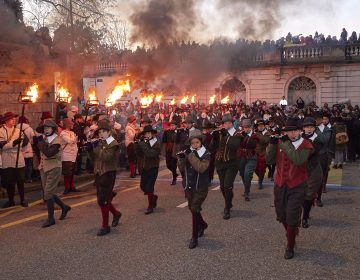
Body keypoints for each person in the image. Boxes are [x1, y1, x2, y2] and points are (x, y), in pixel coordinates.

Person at [266, 117, 314, 259]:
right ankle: (291, 233)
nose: (291, 134)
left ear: (300, 131)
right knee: (282, 216)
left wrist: (284, 144)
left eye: (294, 131)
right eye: (288, 131)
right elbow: (269, 160)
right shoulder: (282, 142)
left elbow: (298, 160)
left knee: (292, 216)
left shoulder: (307, 144)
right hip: (280, 184)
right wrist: (273, 144)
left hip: (298, 185)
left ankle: (290, 245)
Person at [88, 120, 122, 236]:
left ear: (109, 132)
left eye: (103, 132)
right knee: (102, 199)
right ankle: (116, 213)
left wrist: (96, 148)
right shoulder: (101, 142)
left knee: (102, 201)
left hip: (108, 173)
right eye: (99, 132)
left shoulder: (113, 143)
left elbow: (107, 157)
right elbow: (95, 159)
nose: (101, 134)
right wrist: (90, 150)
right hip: (98, 173)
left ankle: (105, 226)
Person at [178, 133, 210, 249]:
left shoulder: (206, 154)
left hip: (200, 187)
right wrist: (181, 159)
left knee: (195, 207)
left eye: (197, 142)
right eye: (192, 143)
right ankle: (202, 224)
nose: (195, 145)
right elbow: (181, 169)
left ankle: (194, 237)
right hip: (189, 186)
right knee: (192, 209)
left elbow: (201, 168)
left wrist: (190, 155)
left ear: (201, 142)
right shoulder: (188, 153)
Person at [37, 119, 71, 227]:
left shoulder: (57, 140)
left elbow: (49, 153)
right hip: (43, 167)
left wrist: (40, 145)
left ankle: (51, 218)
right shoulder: (45, 139)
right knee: (49, 192)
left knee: (47, 193)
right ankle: (64, 207)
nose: (46, 130)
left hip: (54, 167)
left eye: (48, 128)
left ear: (53, 129)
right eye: (45, 128)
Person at [213, 114, 242, 219]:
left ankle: (227, 208)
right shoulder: (220, 132)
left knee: (227, 185)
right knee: (222, 187)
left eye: (229, 122)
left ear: (232, 123)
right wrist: (214, 138)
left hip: (232, 163)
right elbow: (212, 147)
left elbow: (234, 145)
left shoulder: (237, 133)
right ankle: (229, 201)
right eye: (225, 123)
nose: (227, 125)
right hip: (220, 162)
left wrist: (226, 136)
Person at [0, 112, 29, 208]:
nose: (14, 120)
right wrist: (14, 143)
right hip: (7, 159)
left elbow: (24, 143)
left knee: (20, 180)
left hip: (18, 157)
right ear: (6, 120)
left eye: (14, 118)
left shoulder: (19, 131)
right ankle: (11, 200)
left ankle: (22, 199)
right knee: (9, 181)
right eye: (12, 119)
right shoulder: (1, 131)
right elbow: (3, 146)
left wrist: (14, 145)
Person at [301, 117, 323, 228]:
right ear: (303, 128)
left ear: (314, 128)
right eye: (306, 127)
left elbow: (312, 151)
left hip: (314, 169)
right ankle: (305, 212)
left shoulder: (317, 138)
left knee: (309, 194)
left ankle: (305, 218)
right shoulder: (299, 137)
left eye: (311, 127)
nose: (309, 129)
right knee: (300, 193)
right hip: (301, 169)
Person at [136, 125, 161, 215]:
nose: (147, 135)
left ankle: (150, 206)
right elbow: (139, 154)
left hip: (153, 167)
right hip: (144, 167)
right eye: (146, 133)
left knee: (150, 187)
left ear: (153, 133)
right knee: (143, 187)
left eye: (149, 133)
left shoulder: (157, 143)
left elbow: (150, 154)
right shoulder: (144, 142)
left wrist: (142, 145)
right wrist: (137, 145)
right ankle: (153, 197)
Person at [238, 119, 259, 200]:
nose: (246, 129)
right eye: (244, 127)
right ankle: (246, 187)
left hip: (252, 157)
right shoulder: (240, 135)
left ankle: (247, 191)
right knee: (242, 174)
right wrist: (239, 137)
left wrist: (244, 137)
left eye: (247, 127)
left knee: (247, 174)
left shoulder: (255, 135)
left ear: (251, 127)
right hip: (242, 156)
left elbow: (254, 145)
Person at [314, 111, 332, 207]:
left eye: (317, 119)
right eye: (315, 119)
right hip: (311, 155)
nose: (316, 121)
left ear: (321, 120)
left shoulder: (326, 129)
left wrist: (315, 131)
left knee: (320, 177)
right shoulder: (310, 128)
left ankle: (319, 198)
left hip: (322, 155)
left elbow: (325, 139)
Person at [60, 118, 79, 194]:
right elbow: (70, 141)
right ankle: (67, 187)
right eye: (71, 123)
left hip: (73, 155)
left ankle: (72, 186)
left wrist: (74, 137)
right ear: (68, 124)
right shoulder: (63, 133)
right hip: (66, 155)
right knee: (67, 172)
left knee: (72, 172)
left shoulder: (72, 132)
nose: (73, 125)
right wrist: (75, 137)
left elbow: (74, 142)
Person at [17, 116, 34, 183]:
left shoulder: (15, 128)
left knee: (21, 166)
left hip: (19, 149)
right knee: (29, 165)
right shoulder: (29, 128)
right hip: (28, 149)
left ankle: (21, 178)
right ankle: (29, 178)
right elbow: (33, 140)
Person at [254, 119, 270, 190]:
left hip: (263, 154)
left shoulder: (267, 133)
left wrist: (257, 135)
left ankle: (260, 182)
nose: (260, 127)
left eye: (261, 125)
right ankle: (260, 178)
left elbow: (265, 141)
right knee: (255, 168)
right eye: (259, 126)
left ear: (264, 126)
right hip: (254, 154)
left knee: (262, 169)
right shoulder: (255, 133)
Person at [162, 120, 179, 185]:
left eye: (173, 125)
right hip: (168, 149)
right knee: (168, 165)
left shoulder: (178, 132)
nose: (172, 126)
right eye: (171, 125)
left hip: (175, 150)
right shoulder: (167, 132)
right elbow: (164, 140)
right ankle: (175, 174)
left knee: (173, 165)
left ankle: (174, 179)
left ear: (176, 126)